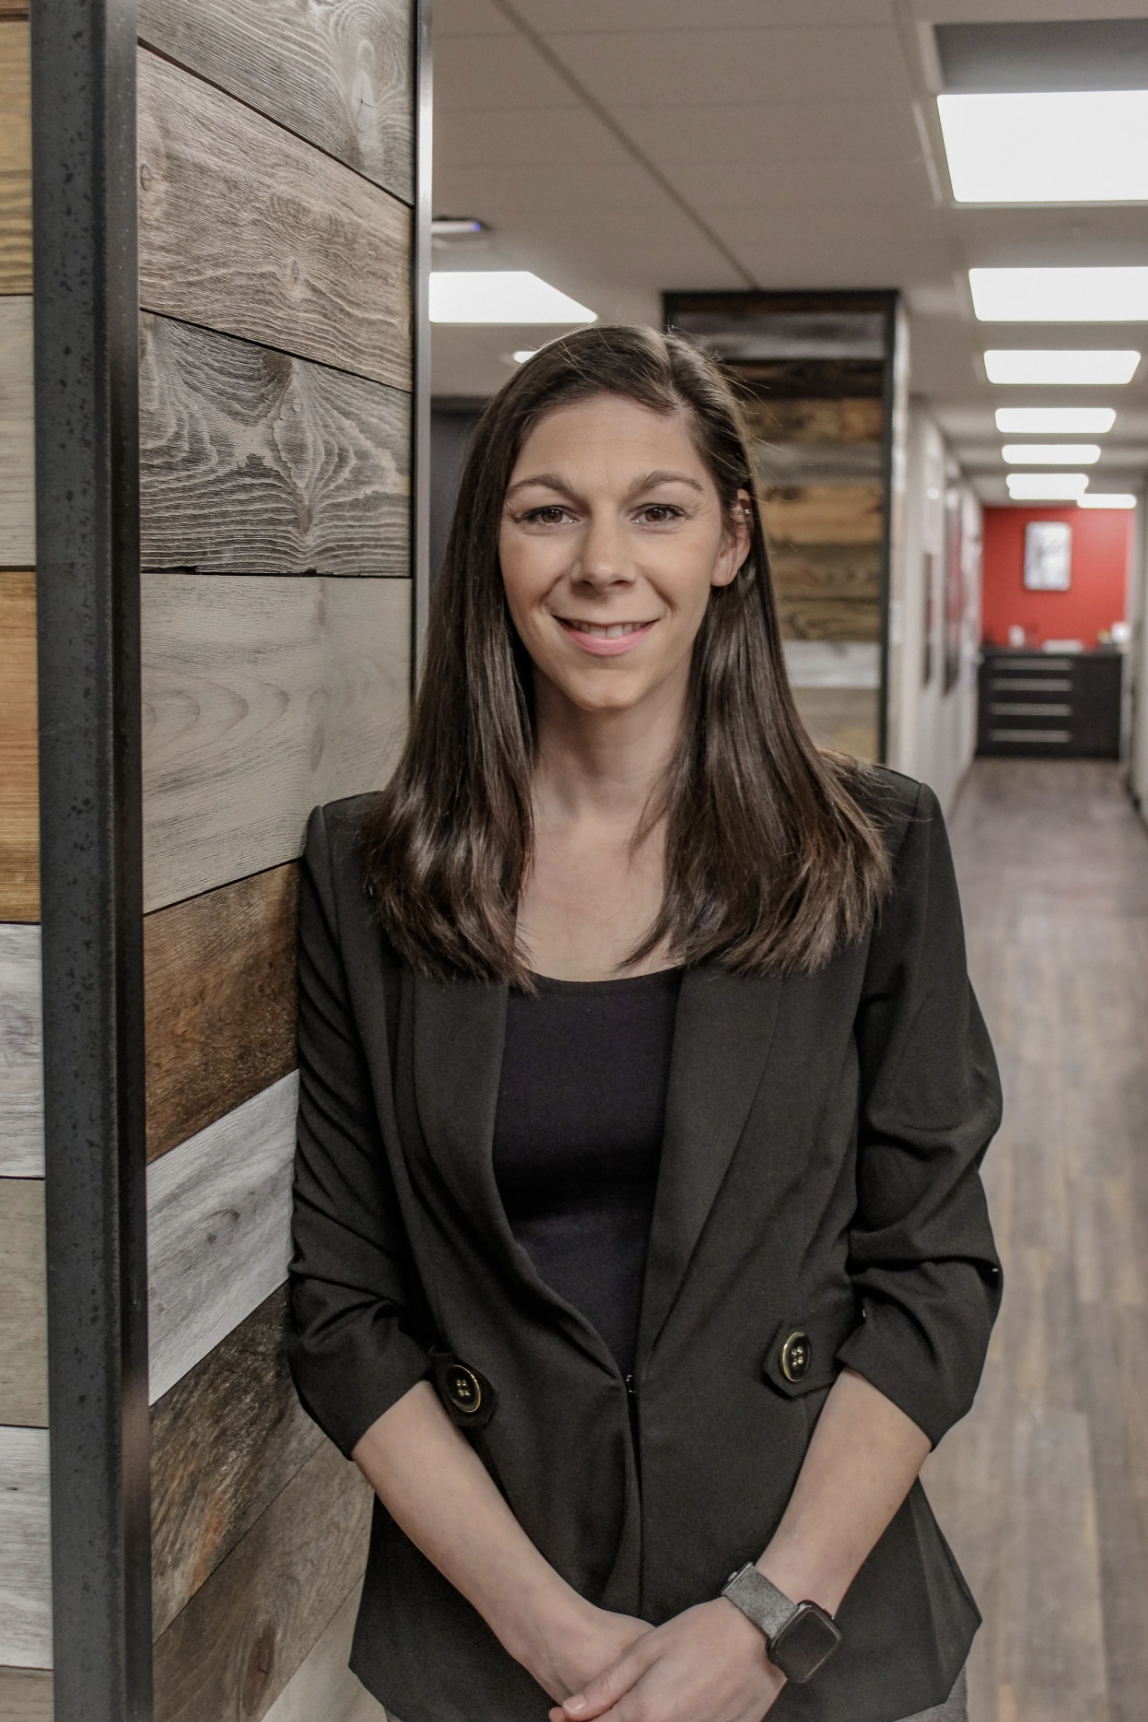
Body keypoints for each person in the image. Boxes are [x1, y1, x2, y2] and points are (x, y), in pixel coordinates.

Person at [289, 325, 1002, 1722]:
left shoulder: (872, 852)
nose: (601, 562)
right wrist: (557, 1639)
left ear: (731, 542)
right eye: (549, 510)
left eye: (657, 510)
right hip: (502, 1644)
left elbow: (933, 1276)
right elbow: (342, 1309)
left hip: (821, 1629)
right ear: (490, 547)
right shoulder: (367, 871)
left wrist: (762, 1625)